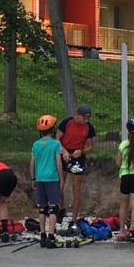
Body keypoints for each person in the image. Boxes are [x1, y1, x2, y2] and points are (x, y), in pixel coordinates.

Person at [56, 105, 96, 229]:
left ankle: (73, 219)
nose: (86, 121)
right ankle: (61, 208)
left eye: (87, 119)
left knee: (76, 189)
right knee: (59, 186)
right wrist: (64, 151)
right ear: (77, 115)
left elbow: (90, 147)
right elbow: (57, 138)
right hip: (64, 153)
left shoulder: (89, 127)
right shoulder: (67, 123)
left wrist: (82, 151)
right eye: (84, 118)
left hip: (78, 156)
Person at [30, 114, 65, 249]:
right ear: (53, 129)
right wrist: (61, 179)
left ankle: (42, 235)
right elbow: (58, 163)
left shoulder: (36, 144)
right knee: (53, 207)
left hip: (40, 178)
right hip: (52, 178)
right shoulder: (56, 144)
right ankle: (51, 235)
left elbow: (32, 163)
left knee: (42, 207)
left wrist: (33, 178)